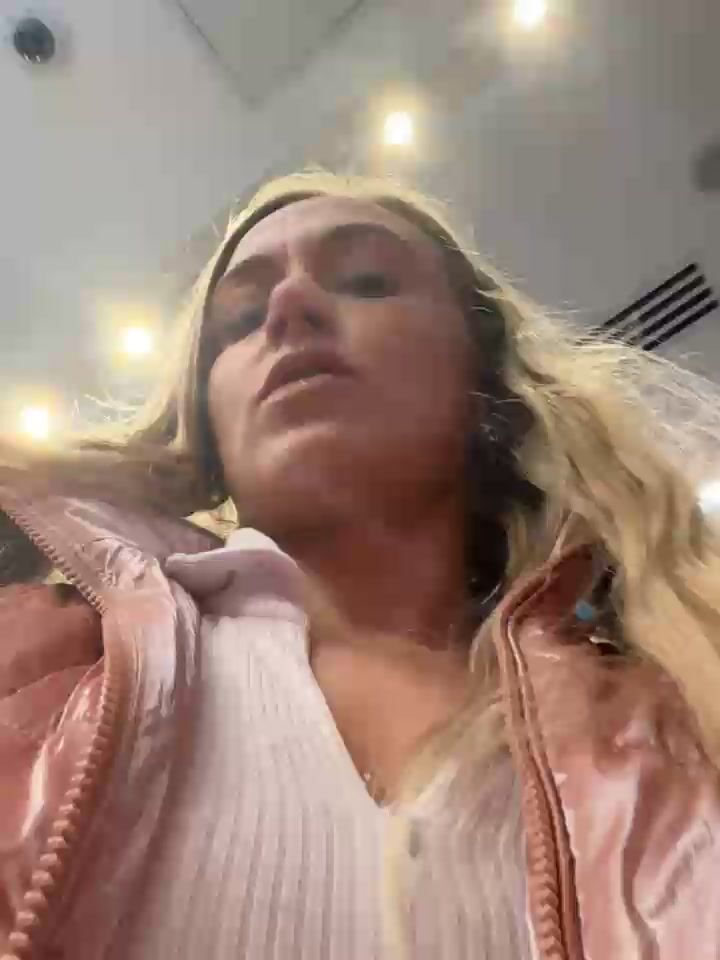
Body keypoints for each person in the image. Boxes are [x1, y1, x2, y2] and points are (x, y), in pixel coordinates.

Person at [1, 172, 720, 960]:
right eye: (239, 321)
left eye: (368, 280)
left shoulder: (678, 708)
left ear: (484, 380)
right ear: (208, 433)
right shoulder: (37, 672)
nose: (289, 305)